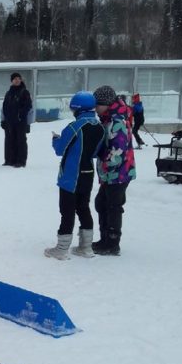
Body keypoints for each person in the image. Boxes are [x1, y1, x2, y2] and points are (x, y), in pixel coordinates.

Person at [44, 92, 105, 260]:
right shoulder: (100, 128)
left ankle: (62, 249)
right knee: (83, 208)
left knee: (67, 211)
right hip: (88, 173)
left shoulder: (74, 127)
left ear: (76, 108)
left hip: (70, 175)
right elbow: (96, 152)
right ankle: (86, 247)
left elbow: (60, 150)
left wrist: (56, 139)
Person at [92, 85, 136, 256]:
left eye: (97, 105)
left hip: (119, 172)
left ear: (106, 104)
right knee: (101, 203)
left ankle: (112, 242)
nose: (95, 109)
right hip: (110, 173)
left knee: (113, 206)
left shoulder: (116, 121)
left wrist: (102, 157)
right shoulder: (108, 118)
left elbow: (117, 151)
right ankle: (105, 239)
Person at [1, 72, 33, 167]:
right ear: (12, 81)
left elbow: (29, 109)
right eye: (15, 79)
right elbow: (4, 108)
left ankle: (21, 161)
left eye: (19, 78)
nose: (17, 80)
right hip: (9, 122)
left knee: (20, 141)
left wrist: (28, 123)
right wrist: (3, 120)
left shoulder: (25, 93)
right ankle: (9, 160)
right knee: (9, 141)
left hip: (20, 122)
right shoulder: (8, 93)